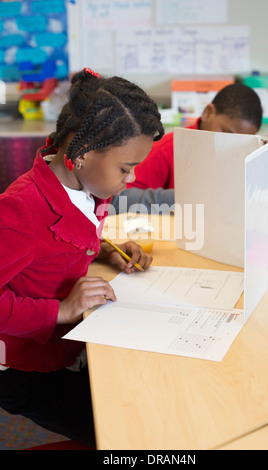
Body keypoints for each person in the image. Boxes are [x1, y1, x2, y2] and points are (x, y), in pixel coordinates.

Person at [0, 68, 164, 448]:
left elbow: (61, 241)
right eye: (126, 168)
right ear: (83, 154)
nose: (134, 178)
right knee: (129, 434)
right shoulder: (19, 211)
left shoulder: (83, 186)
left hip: (70, 346)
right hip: (25, 368)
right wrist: (59, 311)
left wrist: (109, 248)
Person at [110, 83, 262, 214]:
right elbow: (119, 200)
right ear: (208, 113)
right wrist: (189, 199)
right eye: (227, 133)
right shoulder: (165, 150)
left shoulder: (238, 154)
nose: (232, 145)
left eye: (243, 141)